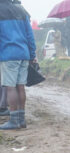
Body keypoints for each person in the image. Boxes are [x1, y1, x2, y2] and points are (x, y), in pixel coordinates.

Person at [0, 0, 36, 129]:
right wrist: (32, 54)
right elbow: (30, 35)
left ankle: (13, 120)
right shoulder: (21, 10)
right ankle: (21, 120)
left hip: (8, 54)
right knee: (21, 86)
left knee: (10, 87)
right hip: (24, 54)